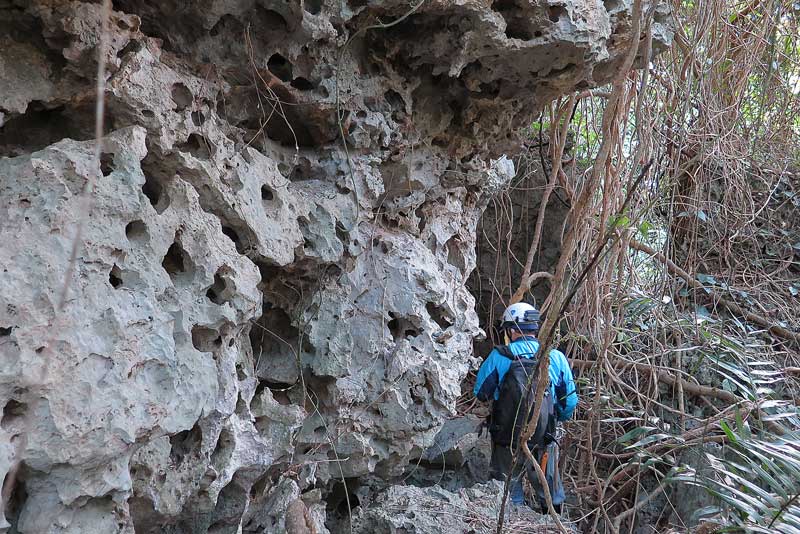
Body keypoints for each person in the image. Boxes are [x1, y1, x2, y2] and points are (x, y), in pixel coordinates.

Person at [473, 302, 578, 514]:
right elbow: (569, 401)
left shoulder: (500, 356)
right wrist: (555, 418)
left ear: (512, 330)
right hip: (545, 435)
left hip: (507, 437)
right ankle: (553, 523)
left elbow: (481, 392)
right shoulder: (555, 357)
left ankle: (514, 522)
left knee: (508, 490)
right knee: (549, 487)